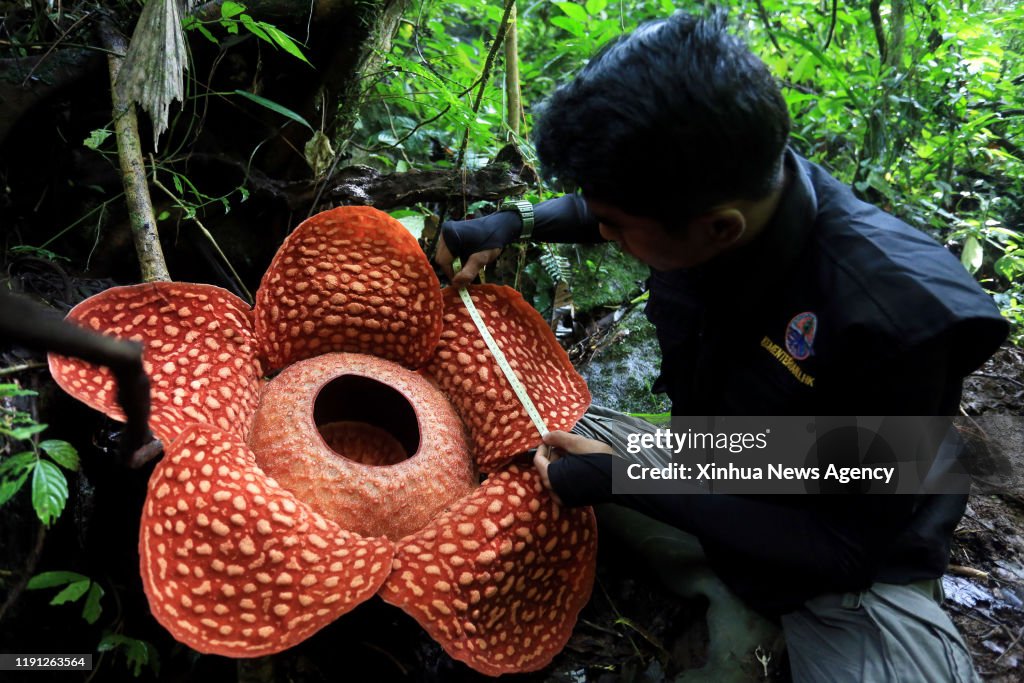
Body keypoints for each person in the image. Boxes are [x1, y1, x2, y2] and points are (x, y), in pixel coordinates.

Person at [435, 10, 1008, 682]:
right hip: (710, 457)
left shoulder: (895, 317)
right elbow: (610, 209)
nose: (607, 232)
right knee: (511, 414)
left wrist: (628, 477)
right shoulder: (729, 176)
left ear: (718, 229)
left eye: (619, 227)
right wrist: (512, 221)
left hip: (840, 555)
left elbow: (842, 546)